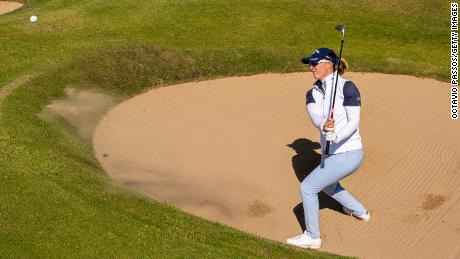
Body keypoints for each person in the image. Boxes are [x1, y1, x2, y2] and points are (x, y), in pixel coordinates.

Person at [286, 48, 370, 249]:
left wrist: (337, 135)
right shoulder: (313, 92)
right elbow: (315, 116)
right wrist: (324, 125)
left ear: (329, 64)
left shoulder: (347, 87)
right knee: (328, 185)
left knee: (307, 187)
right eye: (310, 64)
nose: (311, 67)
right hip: (330, 156)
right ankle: (360, 211)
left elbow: (354, 121)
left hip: (348, 153)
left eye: (315, 63)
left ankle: (312, 237)